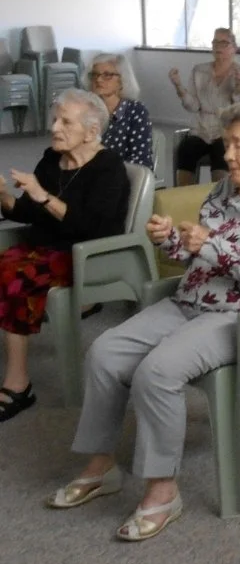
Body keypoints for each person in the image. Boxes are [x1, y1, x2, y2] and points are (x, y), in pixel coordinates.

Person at [45, 103, 240, 542]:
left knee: (158, 371)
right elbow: (192, 254)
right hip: (190, 300)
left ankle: (163, 490)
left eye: (237, 145)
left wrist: (212, 247)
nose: (227, 154)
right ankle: (101, 464)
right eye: (226, 143)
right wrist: (172, 238)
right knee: (105, 352)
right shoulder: (223, 191)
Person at [0, 88, 129, 422]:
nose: (55, 127)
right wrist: (3, 197)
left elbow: (92, 227)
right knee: (10, 269)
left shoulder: (108, 167)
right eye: (55, 119)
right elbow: (26, 211)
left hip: (82, 255)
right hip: (39, 251)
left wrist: (42, 195)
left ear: (90, 131)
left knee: (15, 277)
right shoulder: (50, 159)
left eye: (65, 121)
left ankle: (18, 384)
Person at [168, 27, 240, 186]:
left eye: (224, 43)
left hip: (227, 129)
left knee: (222, 152)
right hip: (202, 128)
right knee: (186, 149)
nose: (218, 47)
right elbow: (193, 106)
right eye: (215, 42)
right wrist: (179, 86)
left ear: (234, 48)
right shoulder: (199, 71)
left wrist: (239, 89)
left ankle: (218, 200)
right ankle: (182, 197)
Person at [86, 53, 153, 171]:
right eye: (94, 74)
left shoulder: (136, 111)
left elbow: (140, 158)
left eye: (107, 75)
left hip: (125, 176)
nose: (98, 79)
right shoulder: (85, 109)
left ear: (122, 80)